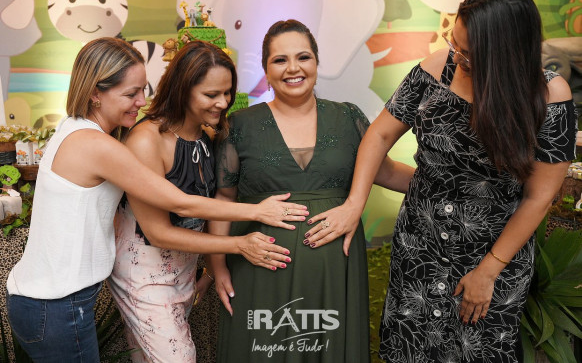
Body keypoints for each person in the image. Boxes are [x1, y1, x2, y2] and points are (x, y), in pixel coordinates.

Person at [305, 0, 578, 362]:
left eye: (469, 53)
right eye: (455, 43)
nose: (457, 56)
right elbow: (379, 135)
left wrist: (488, 271)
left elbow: (539, 197)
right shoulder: (437, 67)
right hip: (420, 243)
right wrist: (355, 204)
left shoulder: (549, 97)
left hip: (492, 253)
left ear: (505, 53)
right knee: (409, 349)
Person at [5, 37, 308, 363]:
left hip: (54, 301)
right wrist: (256, 215)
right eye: (130, 94)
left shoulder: (84, 132)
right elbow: (179, 203)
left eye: (143, 90)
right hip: (54, 305)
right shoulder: (95, 145)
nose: (141, 101)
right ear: (95, 93)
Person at [208, 19, 413, 363]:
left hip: (334, 274)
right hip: (259, 273)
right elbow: (224, 199)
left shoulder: (348, 118)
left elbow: (387, 172)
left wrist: (452, 184)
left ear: (316, 62)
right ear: (266, 70)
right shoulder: (239, 125)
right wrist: (218, 267)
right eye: (280, 60)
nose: (293, 68)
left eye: (303, 57)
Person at [108, 40, 297, 362]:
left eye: (227, 92)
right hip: (144, 278)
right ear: (183, 90)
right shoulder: (146, 141)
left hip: (184, 273)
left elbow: (210, 209)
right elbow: (158, 232)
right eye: (211, 95)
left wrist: (209, 271)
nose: (223, 102)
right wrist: (240, 242)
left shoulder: (207, 136)